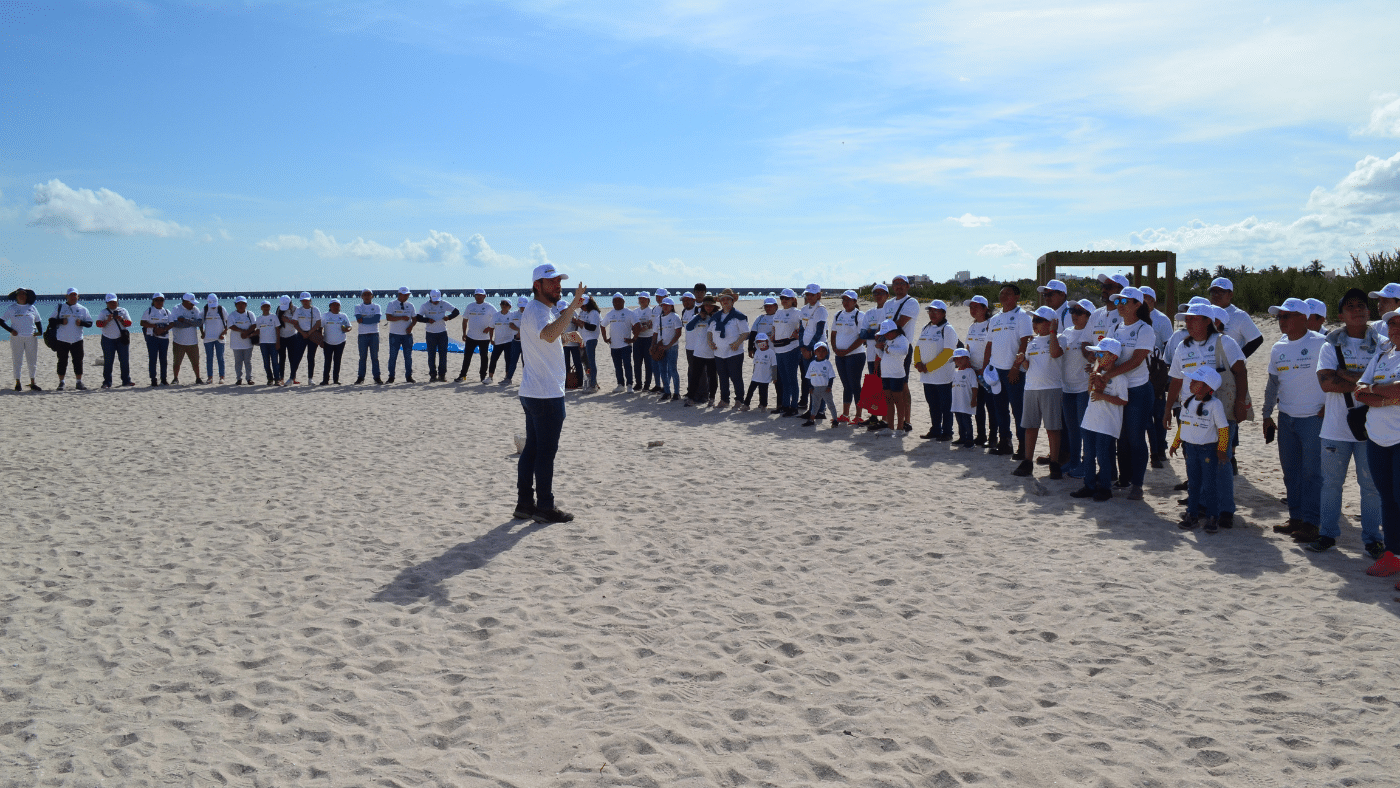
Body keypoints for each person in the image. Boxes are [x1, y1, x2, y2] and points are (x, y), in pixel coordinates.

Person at [1309, 288, 1384, 555]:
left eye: (1361, 305)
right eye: (1350, 305)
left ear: (1369, 311)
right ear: (1341, 315)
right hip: (1335, 428)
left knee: (1371, 487)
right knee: (1330, 485)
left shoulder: (1384, 344)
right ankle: (1327, 535)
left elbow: (1385, 382)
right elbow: (1327, 384)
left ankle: (1373, 538)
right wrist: (1366, 382)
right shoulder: (1330, 345)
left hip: (1374, 429)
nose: (1357, 309)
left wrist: (1348, 376)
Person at [1163, 302, 1250, 529]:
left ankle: (1225, 510)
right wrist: (1167, 409)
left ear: (1207, 321)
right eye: (1187, 319)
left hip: (1222, 413)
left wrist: (1241, 403)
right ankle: (1200, 506)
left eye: (1193, 319)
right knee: (1196, 462)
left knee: (1222, 460)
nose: (1187, 323)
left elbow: (1241, 372)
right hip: (1191, 413)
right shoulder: (1183, 346)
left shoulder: (1224, 342)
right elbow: (1176, 380)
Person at [515, 263, 585, 524]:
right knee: (544, 453)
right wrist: (572, 308)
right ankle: (544, 506)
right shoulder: (538, 310)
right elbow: (547, 334)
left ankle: (524, 503)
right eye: (551, 281)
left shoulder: (538, 310)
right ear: (537, 285)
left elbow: (545, 339)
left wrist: (567, 337)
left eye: (559, 281)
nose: (557, 285)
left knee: (532, 450)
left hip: (534, 391)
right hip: (545, 394)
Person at [1262, 298, 1327, 542]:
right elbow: (1273, 383)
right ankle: (1296, 518)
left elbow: (1336, 375)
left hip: (1313, 417)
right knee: (1291, 471)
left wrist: (1331, 406)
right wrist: (1267, 414)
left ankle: (1312, 523)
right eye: (1279, 316)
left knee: (1312, 473)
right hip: (1286, 417)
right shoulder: (1278, 348)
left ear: (1303, 317)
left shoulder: (1322, 343)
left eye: (1286, 316)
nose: (1282, 320)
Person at [1356, 309, 1400, 580]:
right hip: (1377, 437)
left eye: (1399, 323)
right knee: (1388, 499)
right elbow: (1360, 389)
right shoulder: (1384, 353)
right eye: (1391, 323)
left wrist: (1375, 390)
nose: (1394, 327)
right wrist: (1383, 395)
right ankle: (1392, 556)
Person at [1100, 286, 1154, 500]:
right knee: (1120, 437)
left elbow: (1137, 359)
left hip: (1138, 389)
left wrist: (1109, 373)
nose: (1120, 305)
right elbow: (1106, 354)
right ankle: (1124, 478)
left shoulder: (1144, 329)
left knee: (1135, 438)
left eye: (1125, 301)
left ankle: (1138, 484)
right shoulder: (1115, 327)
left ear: (1137, 305)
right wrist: (1099, 370)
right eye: (1118, 301)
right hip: (1117, 387)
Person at [1170, 366, 1231, 533]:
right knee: (1193, 484)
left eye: (1196, 381)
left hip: (1207, 450)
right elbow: (1183, 425)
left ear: (1207, 387)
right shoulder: (1187, 402)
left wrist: (1221, 449)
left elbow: (1223, 428)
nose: (1191, 383)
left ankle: (1213, 516)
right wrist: (1176, 443)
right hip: (1190, 449)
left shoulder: (1215, 405)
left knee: (1210, 484)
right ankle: (1192, 514)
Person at [1071, 338, 1129, 502]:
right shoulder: (1097, 373)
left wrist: (1102, 394)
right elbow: (1092, 395)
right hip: (1091, 420)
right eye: (1096, 353)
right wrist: (1092, 385)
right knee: (1088, 455)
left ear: (1113, 357)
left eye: (1101, 353)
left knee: (1103, 456)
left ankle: (1105, 488)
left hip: (1107, 423)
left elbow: (1123, 400)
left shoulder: (1120, 379)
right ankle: (1089, 486)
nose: (1097, 356)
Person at [1014, 306, 1065, 479]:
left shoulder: (1060, 338)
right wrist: (1022, 361)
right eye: (1033, 320)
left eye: (1038, 320)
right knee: (1030, 427)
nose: (1034, 324)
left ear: (1050, 323)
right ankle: (1027, 461)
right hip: (1031, 388)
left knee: (1053, 428)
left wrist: (1052, 333)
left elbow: (1055, 353)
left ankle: (1055, 463)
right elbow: (1028, 366)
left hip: (1051, 388)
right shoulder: (1031, 342)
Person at [986, 284, 1032, 456]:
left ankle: (1023, 447)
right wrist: (986, 368)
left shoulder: (1022, 316)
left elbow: (1025, 341)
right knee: (1000, 409)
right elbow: (989, 344)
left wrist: (1015, 367)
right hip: (996, 371)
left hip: (1014, 371)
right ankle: (1005, 443)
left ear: (1017, 296)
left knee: (1018, 410)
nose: (1004, 296)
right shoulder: (995, 318)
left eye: (1008, 293)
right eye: (1002, 293)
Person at [1060, 299, 1094, 478]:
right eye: (1073, 311)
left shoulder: (1092, 336)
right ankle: (1074, 462)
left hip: (1083, 389)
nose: (1074, 315)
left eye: (1079, 312)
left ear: (1090, 316)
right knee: (1072, 429)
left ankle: (1086, 465)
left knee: (1084, 430)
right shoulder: (1066, 332)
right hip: (1067, 388)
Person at [914, 300, 958, 440]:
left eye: (936, 311)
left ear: (943, 313)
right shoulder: (925, 328)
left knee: (945, 406)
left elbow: (948, 353)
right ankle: (935, 430)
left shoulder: (948, 329)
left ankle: (947, 432)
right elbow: (917, 348)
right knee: (933, 405)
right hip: (927, 375)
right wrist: (918, 363)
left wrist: (928, 367)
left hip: (943, 376)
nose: (932, 314)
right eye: (930, 311)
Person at [1140, 286, 1174, 467]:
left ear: (1153, 300)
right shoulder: (1133, 318)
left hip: (1157, 372)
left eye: (1146, 298)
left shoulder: (1162, 320)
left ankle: (1160, 448)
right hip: (1140, 373)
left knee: (1159, 413)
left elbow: (1169, 347)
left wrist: (1164, 375)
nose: (1143, 301)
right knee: (1146, 417)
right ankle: (1153, 451)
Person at [829, 290, 865, 424]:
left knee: (855, 385)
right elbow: (833, 334)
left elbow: (862, 337)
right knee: (846, 385)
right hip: (840, 356)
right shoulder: (838, 314)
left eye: (849, 300)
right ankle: (845, 414)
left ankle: (859, 415)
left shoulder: (860, 315)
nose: (846, 302)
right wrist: (835, 348)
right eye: (844, 300)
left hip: (855, 355)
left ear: (855, 302)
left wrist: (848, 350)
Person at [1208, 277, 1265, 358]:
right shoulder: (1205, 313)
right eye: (1213, 292)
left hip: (1229, 369)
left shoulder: (1240, 315)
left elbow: (1257, 340)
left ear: (1230, 295)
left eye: (1221, 292)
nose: (1216, 295)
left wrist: (1237, 359)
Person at [711, 289, 749, 409]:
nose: (725, 301)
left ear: (733, 301)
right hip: (719, 353)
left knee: (736, 377)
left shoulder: (739, 316)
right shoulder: (716, 316)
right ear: (720, 302)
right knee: (722, 378)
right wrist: (709, 341)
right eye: (723, 299)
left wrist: (737, 342)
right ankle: (724, 400)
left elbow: (746, 332)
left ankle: (739, 400)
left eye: (728, 299)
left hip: (734, 352)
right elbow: (709, 331)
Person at [872, 319, 911, 433]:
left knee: (898, 401)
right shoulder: (888, 341)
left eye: (887, 333)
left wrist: (888, 349)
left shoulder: (902, 340)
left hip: (897, 375)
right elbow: (883, 356)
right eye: (884, 334)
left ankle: (900, 427)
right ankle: (890, 427)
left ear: (895, 331)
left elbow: (904, 351)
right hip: (886, 374)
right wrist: (877, 348)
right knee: (888, 401)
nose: (886, 336)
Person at [963, 295, 992, 444]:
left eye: (976, 307)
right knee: (978, 405)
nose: (973, 310)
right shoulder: (972, 327)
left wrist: (984, 368)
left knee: (991, 406)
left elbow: (991, 347)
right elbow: (967, 347)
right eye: (971, 307)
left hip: (988, 372)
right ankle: (981, 436)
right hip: (973, 371)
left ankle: (993, 437)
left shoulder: (990, 324)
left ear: (985, 308)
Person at [1, 288, 42, 390]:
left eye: (24, 294)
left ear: (27, 296)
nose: (22, 296)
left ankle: (33, 382)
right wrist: (11, 330)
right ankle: (18, 382)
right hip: (17, 338)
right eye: (19, 294)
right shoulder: (12, 308)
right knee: (17, 360)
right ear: (16, 296)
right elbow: (1, 321)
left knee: (32, 360)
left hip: (31, 337)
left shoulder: (32, 308)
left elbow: (38, 320)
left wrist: (40, 331)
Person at [797, 283, 828, 415]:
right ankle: (812, 409)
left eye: (812, 294)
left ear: (818, 295)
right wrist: (802, 347)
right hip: (806, 350)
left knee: (819, 381)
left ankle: (820, 410)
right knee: (810, 381)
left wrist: (810, 349)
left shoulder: (821, 310)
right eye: (807, 294)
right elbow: (801, 330)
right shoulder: (803, 309)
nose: (809, 296)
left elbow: (819, 331)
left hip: (818, 350)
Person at [771, 288, 803, 415]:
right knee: (783, 379)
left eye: (787, 298)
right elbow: (774, 327)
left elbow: (802, 327)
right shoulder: (778, 313)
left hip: (791, 348)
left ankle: (794, 407)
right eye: (782, 298)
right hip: (778, 349)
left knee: (792, 379)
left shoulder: (797, 312)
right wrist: (773, 336)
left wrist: (796, 334)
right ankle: (785, 405)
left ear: (793, 299)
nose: (784, 300)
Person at [417, 289, 459, 382]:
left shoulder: (444, 304)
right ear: (430, 297)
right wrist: (427, 320)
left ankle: (442, 375)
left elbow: (456, 312)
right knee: (431, 355)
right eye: (434, 299)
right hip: (430, 333)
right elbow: (418, 317)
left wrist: (449, 317)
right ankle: (432, 375)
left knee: (443, 355)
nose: (435, 301)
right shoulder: (425, 306)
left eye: (437, 299)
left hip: (442, 333)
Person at [685, 295, 719, 406]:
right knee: (695, 376)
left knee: (712, 377)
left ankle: (712, 398)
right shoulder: (697, 317)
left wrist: (713, 317)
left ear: (714, 307)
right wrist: (699, 317)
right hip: (698, 352)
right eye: (706, 305)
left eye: (711, 306)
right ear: (703, 306)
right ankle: (690, 398)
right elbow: (688, 328)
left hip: (712, 353)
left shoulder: (717, 317)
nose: (708, 308)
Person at [94, 294, 135, 388]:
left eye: (114, 302)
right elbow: (98, 324)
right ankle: (107, 382)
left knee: (124, 361)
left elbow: (129, 323)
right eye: (111, 302)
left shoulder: (123, 311)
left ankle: (126, 380)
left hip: (121, 339)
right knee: (108, 361)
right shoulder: (103, 312)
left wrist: (121, 319)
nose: (113, 303)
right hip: (107, 339)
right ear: (107, 303)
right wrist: (107, 320)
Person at [457, 288, 496, 383]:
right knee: (467, 357)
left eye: (481, 295)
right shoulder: (470, 306)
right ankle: (463, 376)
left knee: (484, 357)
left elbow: (497, 318)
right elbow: (465, 320)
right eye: (477, 295)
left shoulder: (489, 307)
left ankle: (483, 376)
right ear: (474, 296)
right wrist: (464, 333)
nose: (479, 297)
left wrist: (489, 327)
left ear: (484, 296)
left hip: (484, 338)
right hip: (471, 336)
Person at [602, 292, 637, 393]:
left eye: (619, 301)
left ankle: (630, 385)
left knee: (627, 365)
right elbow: (602, 325)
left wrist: (634, 338)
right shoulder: (610, 314)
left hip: (625, 345)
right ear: (612, 303)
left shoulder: (629, 313)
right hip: (614, 346)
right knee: (617, 366)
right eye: (615, 301)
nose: (617, 303)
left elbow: (637, 325)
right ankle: (620, 385)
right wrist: (605, 338)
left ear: (623, 301)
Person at [169, 293, 204, 385]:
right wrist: (192, 322)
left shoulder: (195, 310)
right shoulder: (176, 309)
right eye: (191, 303)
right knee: (177, 362)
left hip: (193, 342)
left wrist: (185, 320)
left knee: (196, 362)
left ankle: (198, 378)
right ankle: (175, 378)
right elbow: (175, 324)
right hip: (179, 342)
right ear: (185, 302)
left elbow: (199, 323)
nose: (193, 305)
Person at [286, 292, 321, 386]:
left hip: (312, 335)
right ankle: (291, 378)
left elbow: (318, 323)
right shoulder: (298, 310)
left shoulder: (315, 310)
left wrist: (309, 333)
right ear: (301, 301)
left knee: (311, 357)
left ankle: (310, 378)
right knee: (297, 357)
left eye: (307, 300)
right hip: (301, 336)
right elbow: (295, 322)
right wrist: (302, 333)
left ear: (310, 300)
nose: (305, 302)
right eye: (303, 300)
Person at [385, 286, 417, 384]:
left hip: (407, 335)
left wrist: (411, 326)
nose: (407, 296)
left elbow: (414, 319)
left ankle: (409, 376)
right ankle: (391, 377)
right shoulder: (392, 304)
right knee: (393, 357)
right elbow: (388, 317)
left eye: (408, 295)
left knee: (408, 357)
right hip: (395, 335)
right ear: (400, 294)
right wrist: (401, 317)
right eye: (405, 295)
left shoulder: (411, 305)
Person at [139, 293, 172, 387]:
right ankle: (153, 379)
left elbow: (172, 323)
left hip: (164, 339)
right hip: (152, 338)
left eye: (161, 300)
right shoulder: (149, 311)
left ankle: (164, 379)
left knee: (163, 359)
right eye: (157, 300)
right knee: (153, 359)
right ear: (153, 301)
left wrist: (164, 329)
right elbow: (142, 322)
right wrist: (155, 326)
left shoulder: (166, 311)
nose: (159, 302)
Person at [654, 296, 683, 400]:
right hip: (661, 347)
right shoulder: (658, 318)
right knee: (662, 370)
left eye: (667, 305)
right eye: (663, 305)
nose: (665, 307)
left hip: (672, 347)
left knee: (672, 369)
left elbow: (678, 333)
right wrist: (653, 345)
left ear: (671, 306)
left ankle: (676, 393)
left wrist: (669, 345)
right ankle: (667, 391)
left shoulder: (675, 317)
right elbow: (655, 333)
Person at [803, 342, 838, 427]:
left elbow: (831, 376)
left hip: (825, 388)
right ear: (815, 352)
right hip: (815, 389)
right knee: (814, 405)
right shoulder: (812, 364)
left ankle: (835, 420)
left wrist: (829, 386)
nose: (821, 353)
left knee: (830, 404)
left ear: (826, 352)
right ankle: (811, 419)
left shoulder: (827, 363)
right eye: (818, 351)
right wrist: (810, 387)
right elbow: (808, 377)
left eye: (823, 351)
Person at [487, 299, 521, 385]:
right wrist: (491, 339)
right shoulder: (495, 315)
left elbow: (518, 323)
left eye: (506, 304)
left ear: (510, 306)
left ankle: (507, 378)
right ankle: (490, 377)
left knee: (508, 360)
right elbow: (491, 327)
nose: (504, 306)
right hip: (498, 341)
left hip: (509, 341)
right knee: (493, 359)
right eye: (502, 304)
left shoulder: (512, 315)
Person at [353, 289, 383, 385]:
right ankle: (360, 377)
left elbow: (377, 319)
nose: (367, 296)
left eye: (368, 294)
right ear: (361, 296)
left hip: (374, 334)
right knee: (362, 357)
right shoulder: (358, 307)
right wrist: (371, 319)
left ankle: (377, 377)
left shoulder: (377, 306)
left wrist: (365, 319)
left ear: (372, 296)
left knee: (375, 357)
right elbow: (359, 320)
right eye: (364, 294)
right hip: (362, 335)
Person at [949, 348, 978, 446]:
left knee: (966, 421)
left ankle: (969, 440)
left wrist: (974, 399)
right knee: (959, 421)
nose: (959, 361)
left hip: (966, 401)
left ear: (967, 359)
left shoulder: (970, 372)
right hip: (957, 402)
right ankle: (962, 438)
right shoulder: (955, 371)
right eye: (956, 359)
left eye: (961, 358)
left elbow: (974, 387)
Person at [319, 299, 352, 385]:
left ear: (340, 306)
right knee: (327, 361)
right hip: (327, 342)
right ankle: (325, 380)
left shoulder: (343, 316)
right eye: (333, 305)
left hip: (340, 342)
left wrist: (347, 329)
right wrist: (320, 340)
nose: (335, 307)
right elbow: (320, 328)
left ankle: (336, 380)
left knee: (337, 361)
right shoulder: (325, 315)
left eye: (337, 305)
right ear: (330, 306)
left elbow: (349, 326)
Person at [226, 296, 257, 385]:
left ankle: (249, 378)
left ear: (246, 304)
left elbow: (254, 325)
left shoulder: (250, 314)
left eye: (243, 303)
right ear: (235, 305)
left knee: (248, 361)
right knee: (238, 362)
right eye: (238, 303)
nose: (240, 305)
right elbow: (231, 326)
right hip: (236, 343)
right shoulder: (232, 315)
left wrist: (246, 333)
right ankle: (239, 378)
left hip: (248, 342)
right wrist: (242, 331)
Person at [574, 295, 602, 391]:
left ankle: (593, 385)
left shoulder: (594, 313)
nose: (582, 307)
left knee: (591, 362)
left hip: (591, 339)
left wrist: (583, 323)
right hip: (582, 339)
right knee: (585, 363)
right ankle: (591, 382)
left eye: (584, 306)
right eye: (581, 306)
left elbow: (593, 327)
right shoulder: (582, 312)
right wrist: (577, 323)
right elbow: (580, 326)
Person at [631, 291, 658, 392]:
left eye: (644, 299)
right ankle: (638, 383)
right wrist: (637, 329)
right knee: (637, 362)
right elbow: (632, 324)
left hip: (648, 338)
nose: (642, 300)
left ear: (648, 300)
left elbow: (654, 323)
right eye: (640, 299)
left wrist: (646, 326)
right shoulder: (635, 311)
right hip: (638, 339)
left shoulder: (652, 311)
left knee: (648, 362)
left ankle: (647, 384)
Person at [202, 294, 229, 384]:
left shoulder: (221, 309)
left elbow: (227, 323)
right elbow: (200, 321)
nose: (213, 308)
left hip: (220, 339)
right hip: (208, 339)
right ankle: (210, 377)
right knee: (209, 358)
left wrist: (223, 333)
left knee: (220, 358)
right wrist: (202, 332)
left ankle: (222, 377)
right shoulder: (205, 309)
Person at [254, 301, 283, 385]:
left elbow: (278, 330)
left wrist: (278, 342)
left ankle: (277, 379)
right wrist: (250, 334)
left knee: (275, 362)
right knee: (266, 362)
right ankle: (269, 378)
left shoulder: (274, 317)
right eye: (264, 306)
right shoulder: (259, 318)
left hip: (273, 343)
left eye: (267, 306)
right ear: (261, 308)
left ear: (270, 307)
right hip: (263, 343)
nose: (266, 308)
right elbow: (258, 330)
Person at [746, 332, 776, 410]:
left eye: (762, 341)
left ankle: (763, 404)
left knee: (763, 391)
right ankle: (746, 404)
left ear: (767, 341)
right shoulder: (757, 352)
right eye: (758, 342)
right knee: (750, 391)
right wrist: (754, 373)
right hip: (755, 376)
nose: (760, 343)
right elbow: (755, 364)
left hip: (765, 377)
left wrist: (774, 377)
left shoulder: (771, 353)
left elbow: (774, 365)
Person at [273, 295, 296, 383]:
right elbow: (277, 325)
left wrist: (288, 320)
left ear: (291, 303)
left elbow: (297, 322)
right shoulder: (279, 309)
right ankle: (281, 377)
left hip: (292, 337)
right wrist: (277, 340)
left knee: (292, 358)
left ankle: (293, 377)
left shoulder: (295, 309)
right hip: (281, 337)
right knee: (282, 358)